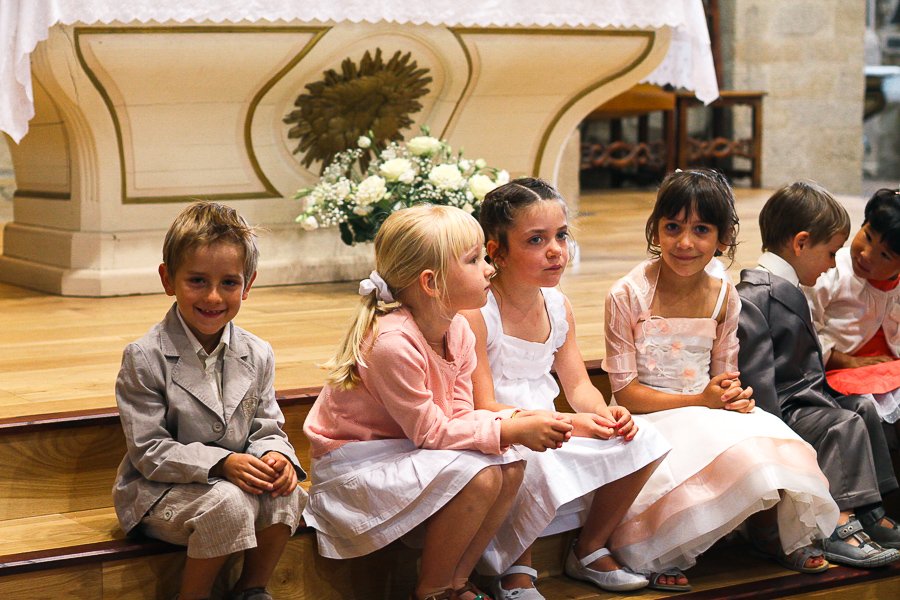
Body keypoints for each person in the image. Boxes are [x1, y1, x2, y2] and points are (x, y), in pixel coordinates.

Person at [302, 205, 575, 600]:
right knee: (482, 474)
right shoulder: (392, 342)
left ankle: (456, 581)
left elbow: (460, 413)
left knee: (512, 465)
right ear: (431, 282)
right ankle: (432, 589)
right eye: (474, 260)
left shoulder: (458, 328)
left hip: (405, 449)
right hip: (358, 463)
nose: (489, 269)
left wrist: (513, 426)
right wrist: (509, 429)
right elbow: (430, 432)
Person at [604, 170, 840, 583]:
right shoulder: (627, 295)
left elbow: (725, 374)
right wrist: (701, 400)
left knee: (763, 437)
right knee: (687, 450)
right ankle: (661, 550)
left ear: (723, 238)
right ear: (655, 229)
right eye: (673, 227)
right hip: (646, 412)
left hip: (705, 405)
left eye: (701, 230)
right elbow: (625, 393)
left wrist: (733, 395)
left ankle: (770, 535)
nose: (685, 242)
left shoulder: (724, 294)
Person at [464, 178, 670, 598]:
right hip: (503, 428)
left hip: (555, 423)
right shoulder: (478, 312)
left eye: (561, 235)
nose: (556, 250)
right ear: (496, 251)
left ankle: (589, 547)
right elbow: (483, 403)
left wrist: (602, 413)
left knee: (644, 440)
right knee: (530, 459)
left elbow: (577, 383)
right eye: (536, 240)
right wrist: (571, 424)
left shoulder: (558, 305)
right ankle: (515, 568)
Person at [113, 201, 307, 600]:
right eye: (198, 281)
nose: (213, 297)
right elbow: (149, 451)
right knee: (229, 502)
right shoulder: (144, 356)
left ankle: (252, 589)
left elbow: (267, 426)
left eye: (229, 283)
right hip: (158, 491)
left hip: (231, 485)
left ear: (248, 285)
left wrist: (276, 456)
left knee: (285, 491)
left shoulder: (258, 352)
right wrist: (222, 462)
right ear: (168, 279)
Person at [738, 181, 900, 567]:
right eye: (830, 253)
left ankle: (871, 510)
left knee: (862, 407)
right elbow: (759, 379)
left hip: (806, 397)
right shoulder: (759, 293)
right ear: (801, 244)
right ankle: (836, 524)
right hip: (782, 409)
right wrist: (774, 434)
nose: (832, 263)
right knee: (842, 423)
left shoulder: (789, 286)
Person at [806, 188, 900, 430]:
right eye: (867, 236)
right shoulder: (829, 272)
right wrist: (848, 361)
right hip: (839, 374)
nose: (866, 254)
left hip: (890, 370)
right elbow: (804, 332)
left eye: (885, 255)